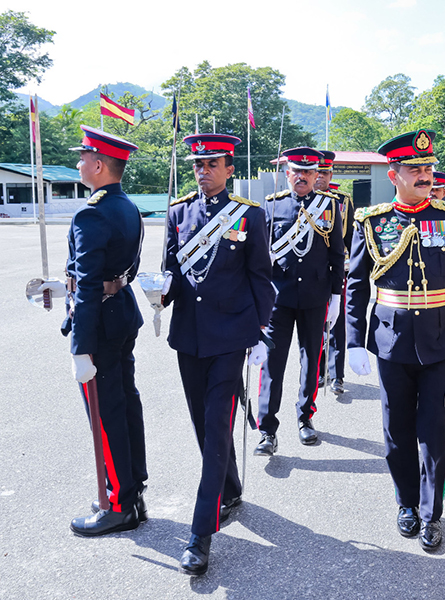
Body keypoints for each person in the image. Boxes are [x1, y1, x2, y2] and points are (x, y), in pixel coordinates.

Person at [345, 129, 445, 552]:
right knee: (397, 429)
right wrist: (352, 339)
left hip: (441, 339)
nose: (424, 175)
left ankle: (430, 513)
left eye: (427, 168)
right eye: (415, 169)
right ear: (394, 173)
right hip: (391, 340)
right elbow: (355, 283)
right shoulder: (373, 221)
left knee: (434, 430)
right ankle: (405, 503)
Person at [163, 133, 275, 575]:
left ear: (230, 169)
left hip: (230, 339)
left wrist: (261, 335)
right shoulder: (178, 212)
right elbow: (171, 271)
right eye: (197, 165)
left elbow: (261, 278)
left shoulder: (249, 215)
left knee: (215, 429)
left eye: (212, 165)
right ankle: (229, 489)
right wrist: (157, 292)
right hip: (189, 339)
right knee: (204, 428)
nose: (203, 172)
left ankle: (200, 534)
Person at [39, 126, 148, 537]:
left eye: (83, 157)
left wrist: (79, 347)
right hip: (120, 312)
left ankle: (117, 505)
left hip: (99, 325)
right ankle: (133, 492)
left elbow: (86, 285)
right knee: (125, 405)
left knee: (105, 414)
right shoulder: (127, 207)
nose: (79, 163)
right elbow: (127, 268)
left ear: (99, 165)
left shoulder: (92, 212)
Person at [255, 148, 344, 454]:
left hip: (315, 297)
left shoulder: (329, 206)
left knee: (310, 362)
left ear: (316, 175)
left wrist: (335, 296)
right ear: (287, 173)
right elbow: (260, 258)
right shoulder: (272, 206)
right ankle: (266, 429)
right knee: (272, 364)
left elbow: (337, 254)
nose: (302, 177)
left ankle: (305, 419)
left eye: (308, 172)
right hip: (279, 299)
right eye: (297, 171)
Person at [315, 151, 355, 395]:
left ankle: (337, 375)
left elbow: (350, 237)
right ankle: (318, 371)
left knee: (337, 322)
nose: (320, 177)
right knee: (313, 323)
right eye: (316, 172)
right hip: (311, 272)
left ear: (331, 175)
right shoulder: (301, 200)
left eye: (325, 173)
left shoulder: (343, 200)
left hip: (336, 269)